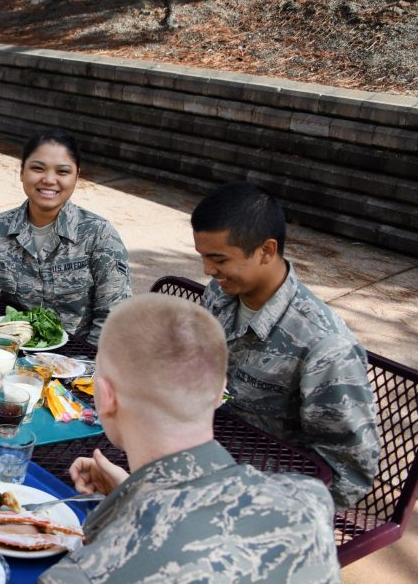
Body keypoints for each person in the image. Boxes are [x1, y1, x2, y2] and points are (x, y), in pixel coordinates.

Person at [39, 294, 340, 582]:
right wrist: (131, 498)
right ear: (219, 390)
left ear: (105, 397)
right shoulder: (309, 499)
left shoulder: (83, 574)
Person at [191, 181, 380, 509]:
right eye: (204, 257)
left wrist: (264, 511)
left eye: (218, 259)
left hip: (264, 496)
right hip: (203, 457)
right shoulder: (221, 294)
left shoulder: (325, 347)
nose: (208, 270)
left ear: (266, 250)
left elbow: (348, 474)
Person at [0, 129, 131, 345]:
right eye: (38, 168)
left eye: (62, 172)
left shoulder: (98, 234)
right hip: (13, 352)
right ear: (21, 172)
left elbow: (114, 318)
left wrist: (86, 365)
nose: (49, 180)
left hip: (78, 362)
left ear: (77, 176)